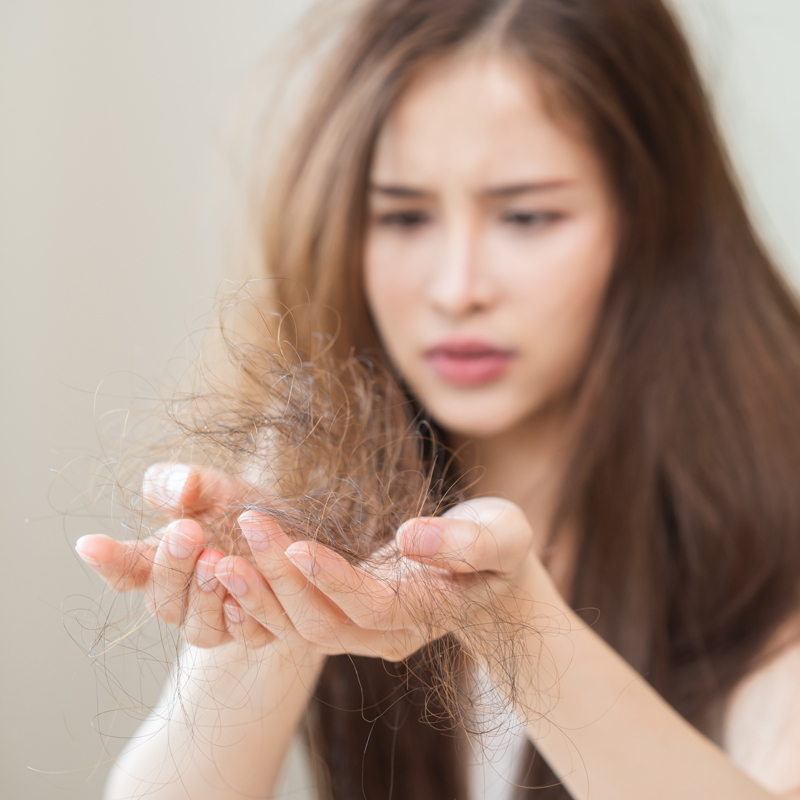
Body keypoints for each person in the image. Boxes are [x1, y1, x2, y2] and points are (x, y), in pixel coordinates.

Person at [74, 0, 800, 798]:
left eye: (527, 215)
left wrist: (515, 621)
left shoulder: (777, 527)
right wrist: (257, 627)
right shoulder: (334, 506)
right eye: (404, 215)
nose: (458, 288)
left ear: (654, 220)